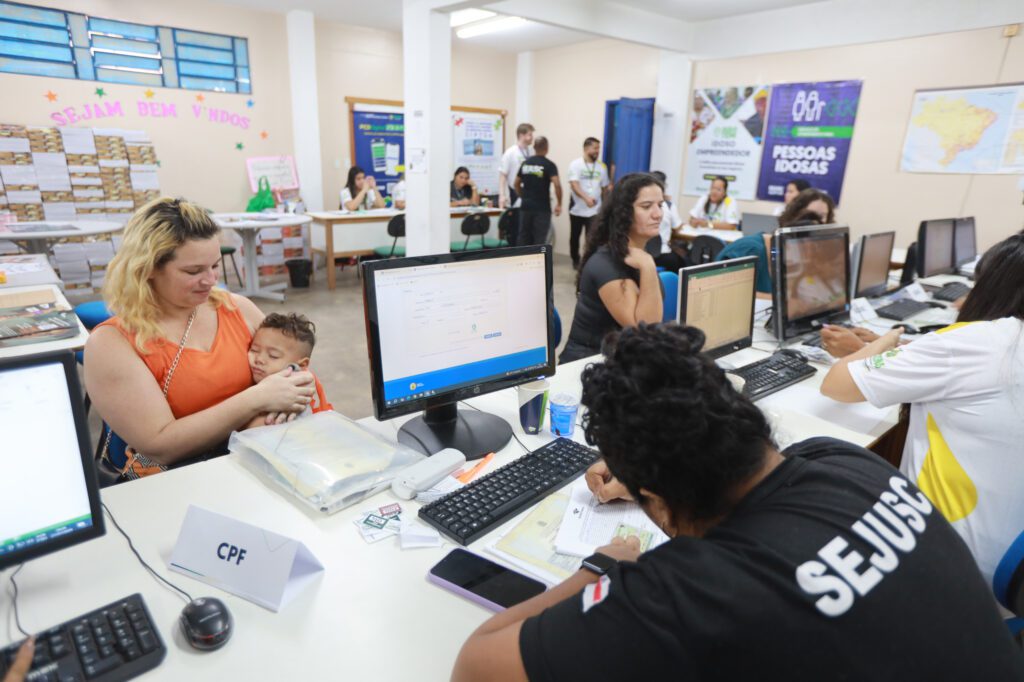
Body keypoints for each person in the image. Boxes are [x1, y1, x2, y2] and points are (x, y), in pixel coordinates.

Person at [451, 323, 1024, 682]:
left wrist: (601, 567)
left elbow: (476, 666)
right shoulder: (843, 462)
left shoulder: (692, 592)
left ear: (660, 503)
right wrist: (653, 474)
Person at [821, 233, 1024, 587]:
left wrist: (886, 340)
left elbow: (837, 385)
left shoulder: (983, 342)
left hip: (951, 559)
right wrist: (902, 349)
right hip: (1008, 556)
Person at [85, 198, 316, 475]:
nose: (210, 280)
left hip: (255, 464)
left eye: (215, 266)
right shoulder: (112, 344)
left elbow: (296, 371)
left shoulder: (236, 308)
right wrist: (257, 399)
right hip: (181, 479)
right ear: (146, 269)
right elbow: (159, 445)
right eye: (193, 271)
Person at [559, 174, 664, 363]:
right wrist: (648, 265)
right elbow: (645, 329)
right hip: (588, 363)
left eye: (660, 205)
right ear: (624, 212)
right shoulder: (605, 264)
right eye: (647, 206)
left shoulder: (638, 256)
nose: (658, 214)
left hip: (624, 357)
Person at [244, 312, 333, 428]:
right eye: (254, 350)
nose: (259, 359)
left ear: (302, 364)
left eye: (273, 356)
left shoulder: (292, 393)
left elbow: (256, 429)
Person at [567, 137, 611, 268]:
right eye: (595, 148)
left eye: (599, 148)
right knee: (574, 237)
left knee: (592, 238)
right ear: (586, 148)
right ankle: (575, 259)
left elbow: (604, 188)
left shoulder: (602, 167)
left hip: (594, 210)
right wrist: (586, 198)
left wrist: (604, 206)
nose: (598, 151)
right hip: (577, 208)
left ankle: (588, 262)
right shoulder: (575, 164)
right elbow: (574, 185)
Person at [514, 136, 562, 246]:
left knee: (523, 236)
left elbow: (516, 183)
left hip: (525, 207)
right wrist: (559, 203)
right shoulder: (549, 165)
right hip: (542, 208)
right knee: (539, 239)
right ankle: (537, 262)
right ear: (547, 148)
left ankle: (521, 261)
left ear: (534, 147)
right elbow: (557, 184)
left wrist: (522, 196)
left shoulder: (526, 163)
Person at [649, 170, 687, 273]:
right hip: (663, 254)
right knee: (683, 260)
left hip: (643, 253)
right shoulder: (668, 205)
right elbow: (677, 227)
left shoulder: (641, 204)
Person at [498, 123, 535, 209]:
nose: (532, 137)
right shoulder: (510, 152)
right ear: (521, 135)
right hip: (516, 191)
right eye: (530, 134)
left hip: (530, 192)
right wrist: (502, 195)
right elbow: (503, 175)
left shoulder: (532, 151)